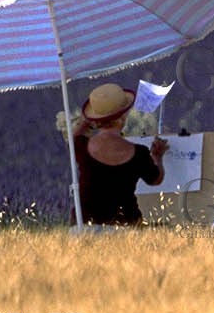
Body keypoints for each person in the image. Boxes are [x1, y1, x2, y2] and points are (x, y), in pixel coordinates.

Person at [72, 82, 168, 226]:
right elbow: (155, 179)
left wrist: (86, 121)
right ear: (123, 115)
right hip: (126, 226)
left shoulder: (81, 146)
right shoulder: (139, 153)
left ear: (95, 119)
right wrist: (158, 157)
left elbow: (74, 138)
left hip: (84, 226)